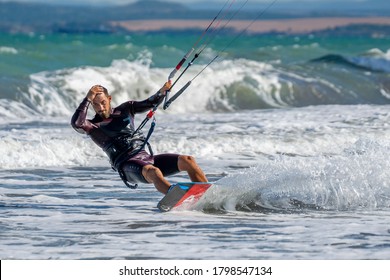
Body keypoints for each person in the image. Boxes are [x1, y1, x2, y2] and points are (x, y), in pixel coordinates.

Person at [71, 82, 208, 194]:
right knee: (154, 172)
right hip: (127, 165)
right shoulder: (93, 126)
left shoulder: (126, 109)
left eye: (103, 102)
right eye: (95, 104)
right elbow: (77, 123)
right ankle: (175, 197)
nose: (100, 107)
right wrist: (87, 98)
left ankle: (205, 194)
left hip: (146, 158)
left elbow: (149, 103)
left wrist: (162, 92)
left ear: (109, 99)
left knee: (187, 160)